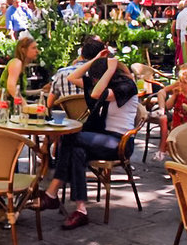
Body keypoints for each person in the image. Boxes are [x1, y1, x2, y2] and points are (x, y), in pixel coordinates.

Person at [35, 39, 140, 230]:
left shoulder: (126, 86)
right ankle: (81, 210)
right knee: (76, 151)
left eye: (94, 79)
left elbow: (95, 94)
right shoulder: (101, 82)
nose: (91, 82)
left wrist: (109, 69)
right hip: (98, 139)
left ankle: (51, 192)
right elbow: (72, 77)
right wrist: (96, 60)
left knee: (70, 137)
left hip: (119, 142)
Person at [151, 64, 187, 160]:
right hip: (177, 122)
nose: (180, 84)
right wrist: (174, 95)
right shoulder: (180, 92)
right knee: (175, 146)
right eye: (180, 81)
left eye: (183, 82)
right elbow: (168, 106)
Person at [1, 36, 39, 102]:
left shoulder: (20, 65)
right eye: (33, 48)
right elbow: (11, 87)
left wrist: (41, 91)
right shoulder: (16, 63)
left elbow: (21, 92)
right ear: (23, 50)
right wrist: (24, 105)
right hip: (14, 108)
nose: (37, 51)